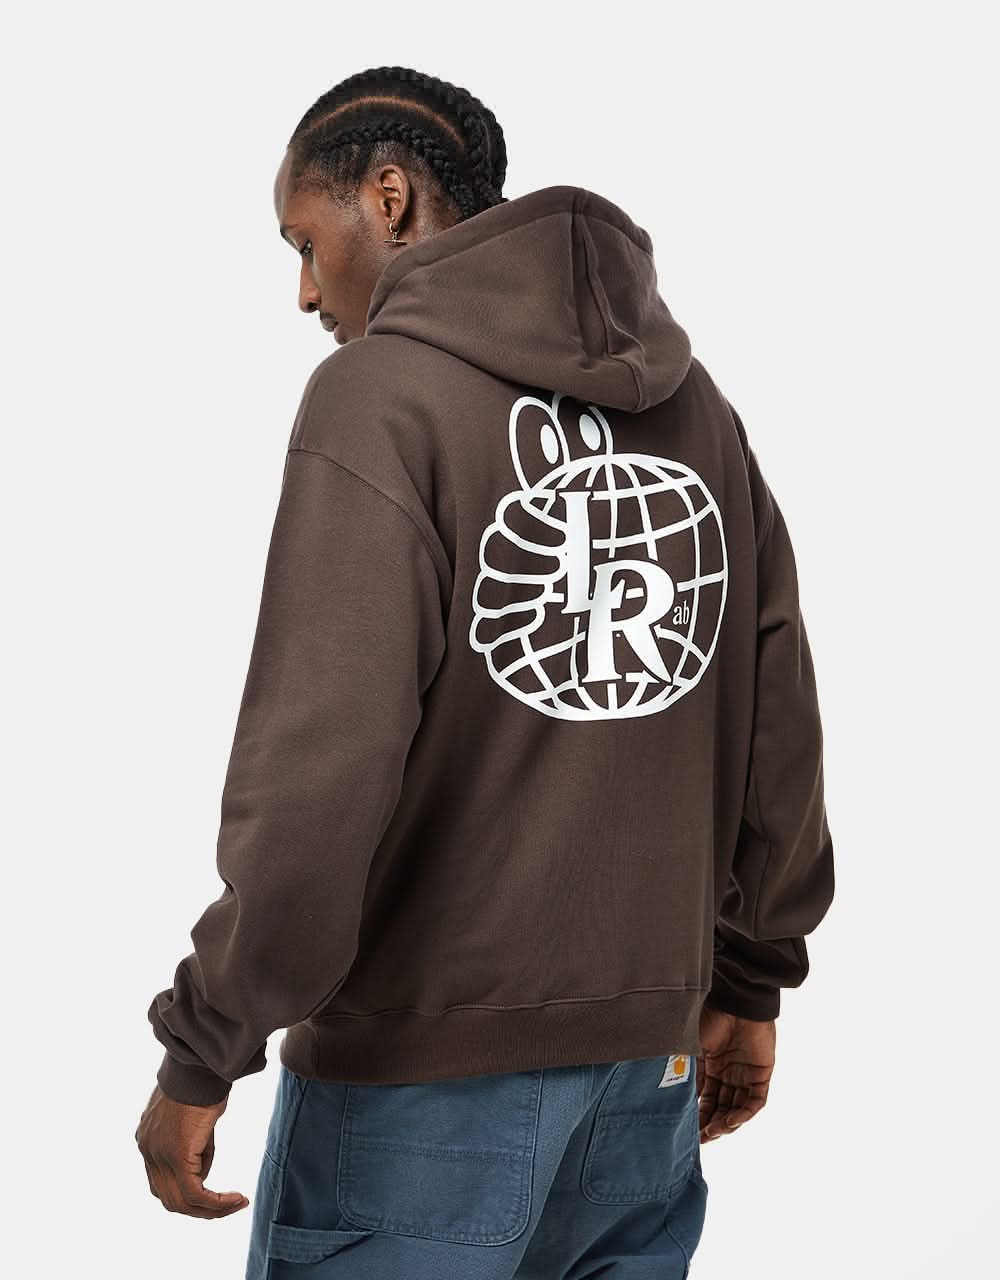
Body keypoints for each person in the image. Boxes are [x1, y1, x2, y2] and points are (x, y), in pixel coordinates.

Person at [134, 64, 836, 1278]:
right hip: (647, 1077)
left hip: (419, 1091)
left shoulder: (377, 399)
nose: (305, 291)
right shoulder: (696, 411)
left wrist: (205, 1044)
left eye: (304, 241)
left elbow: (319, 776)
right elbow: (777, 716)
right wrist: (753, 975)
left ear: (389, 198)